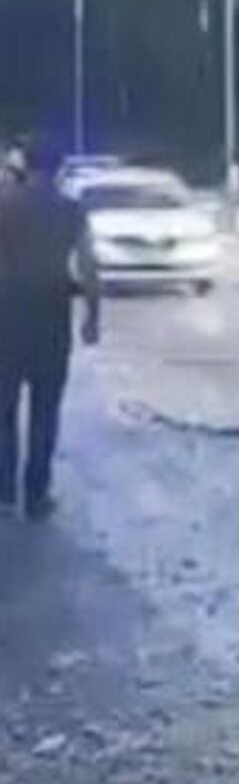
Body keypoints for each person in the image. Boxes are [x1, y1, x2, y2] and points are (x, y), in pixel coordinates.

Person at [0, 136, 100, 517]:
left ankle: (4, 491)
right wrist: (93, 316)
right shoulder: (71, 210)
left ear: (24, 165)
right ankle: (36, 494)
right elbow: (89, 265)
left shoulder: (5, 204)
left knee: (3, 411)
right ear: (60, 170)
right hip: (51, 316)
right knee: (46, 410)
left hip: (6, 316)